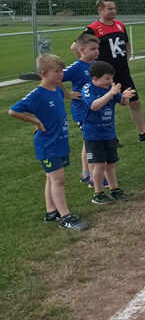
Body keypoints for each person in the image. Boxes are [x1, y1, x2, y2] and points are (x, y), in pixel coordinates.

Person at [8, 54, 87, 230]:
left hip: (60, 142)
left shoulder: (57, 89)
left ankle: (51, 212)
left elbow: (62, 91)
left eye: (61, 71)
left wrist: (67, 93)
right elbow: (13, 111)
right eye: (56, 71)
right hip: (48, 144)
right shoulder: (37, 94)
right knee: (58, 180)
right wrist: (35, 121)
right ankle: (65, 217)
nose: (61, 74)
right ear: (44, 74)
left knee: (51, 179)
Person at [71, 0, 145, 143]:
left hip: (122, 72)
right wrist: (89, 64)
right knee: (105, 105)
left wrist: (127, 60)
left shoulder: (120, 25)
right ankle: (109, 137)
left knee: (135, 102)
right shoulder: (92, 29)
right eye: (109, 9)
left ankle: (143, 134)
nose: (113, 11)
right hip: (104, 75)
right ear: (100, 10)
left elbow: (126, 44)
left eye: (114, 8)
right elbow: (75, 47)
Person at [82, 61, 136, 204]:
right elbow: (94, 106)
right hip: (93, 134)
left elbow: (123, 103)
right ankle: (98, 193)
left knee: (111, 163)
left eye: (111, 78)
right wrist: (110, 93)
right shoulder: (88, 88)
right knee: (100, 165)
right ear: (95, 79)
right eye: (107, 78)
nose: (110, 81)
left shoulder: (109, 88)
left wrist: (124, 97)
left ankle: (114, 188)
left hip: (109, 133)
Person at [62, 34, 108, 189]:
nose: (97, 51)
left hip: (95, 109)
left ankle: (86, 174)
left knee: (87, 142)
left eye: (97, 48)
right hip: (82, 111)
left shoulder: (96, 65)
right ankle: (95, 179)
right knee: (92, 143)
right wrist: (67, 94)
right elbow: (55, 78)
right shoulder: (76, 67)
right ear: (81, 50)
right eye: (93, 49)